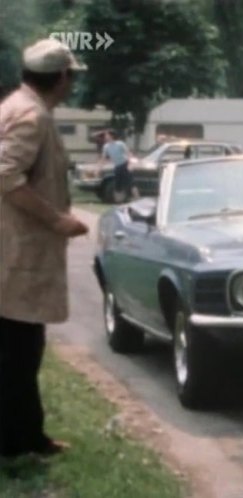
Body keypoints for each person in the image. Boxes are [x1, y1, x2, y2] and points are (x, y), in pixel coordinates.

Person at [0, 39, 89, 460]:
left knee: (19, 351)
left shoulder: (16, 106)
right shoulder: (31, 116)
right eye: (72, 77)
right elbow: (5, 176)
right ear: (62, 77)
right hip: (17, 257)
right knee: (19, 354)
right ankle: (19, 445)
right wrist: (57, 220)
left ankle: (26, 439)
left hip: (15, 254)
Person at [101, 129, 138, 202]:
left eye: (107, 135)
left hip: (125, 164)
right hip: (117, 167)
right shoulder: (106, 146)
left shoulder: (120, 144)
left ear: (111, 136)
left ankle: (137, 199)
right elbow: (103, 158)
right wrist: (98, 168)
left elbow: (128, 153)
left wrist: (130, 164)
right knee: (118, 186)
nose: (105, 137)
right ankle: (118, 201)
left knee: (131, 184)